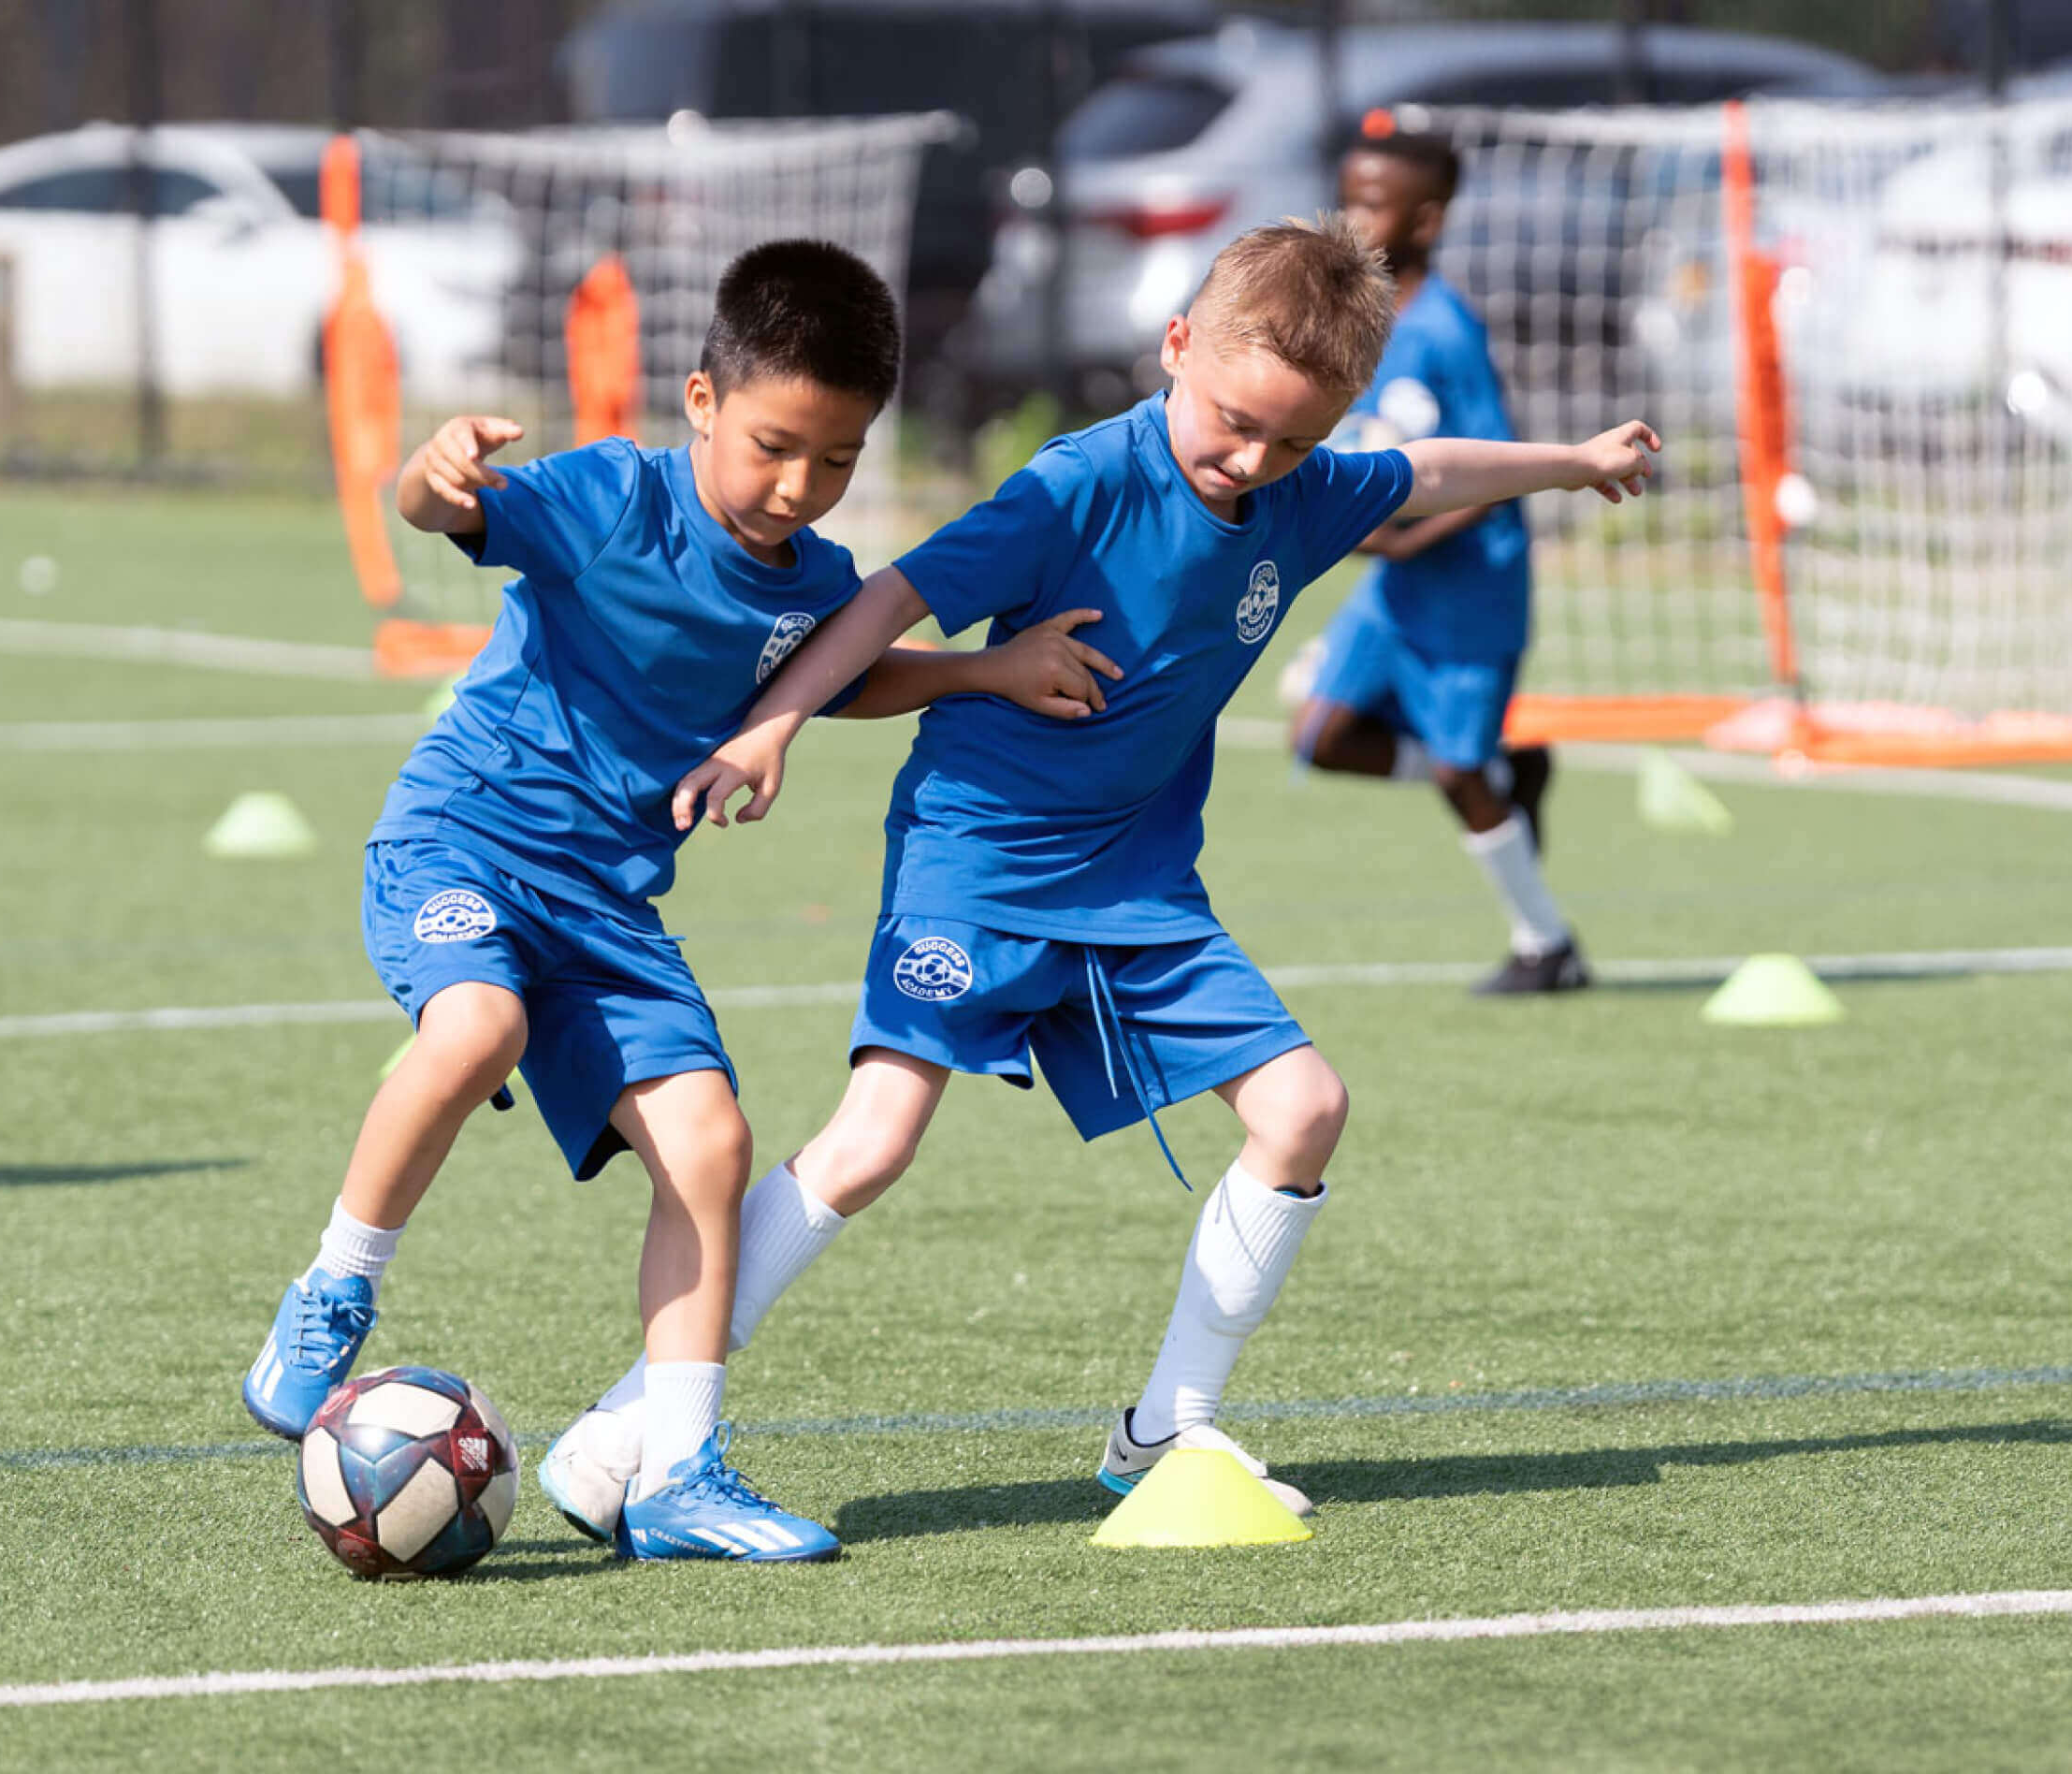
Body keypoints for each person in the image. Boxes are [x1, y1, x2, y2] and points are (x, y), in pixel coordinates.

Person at [537, 215, 1657, 1528]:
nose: (1254, 461)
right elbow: (892, 597)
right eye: (1235, 421)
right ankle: (628, 1423)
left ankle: (1163, 1430)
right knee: (872, 1142)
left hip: (1136, 888)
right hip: (980, 856)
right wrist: (773, 724)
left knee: (1302, 1111)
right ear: (1177, 346)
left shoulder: (1299, 493)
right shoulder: (1075, 487)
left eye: (1294, 440)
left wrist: (1573, 462)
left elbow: (1421, 472)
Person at [239, 240, 1115, 1564]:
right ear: (702, 401)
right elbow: (438, 512)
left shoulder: (820, 580)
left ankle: (678, 1469)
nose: (797, 486)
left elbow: (838, 672)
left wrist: (988, 676)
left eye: (835, 460)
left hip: (608, 911)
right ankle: (333, 1290)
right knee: (478, 1030)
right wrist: (434, 471)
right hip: (463, 846)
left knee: (711, 1147)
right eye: (773, 445)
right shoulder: (607, 500)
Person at [1290, 130, 1581, 995]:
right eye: (1346, 194)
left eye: (1373, 202)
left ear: (1427, 219)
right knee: (1321, 739)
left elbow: (1491, 474)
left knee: (1455, 773)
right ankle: (1507, 772)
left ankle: (1548, 946)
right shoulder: (1355, 322)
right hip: (1399, 584)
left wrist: (1398, 539)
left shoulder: (1446, 330)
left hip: (1469, 588)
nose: (1352, 216)